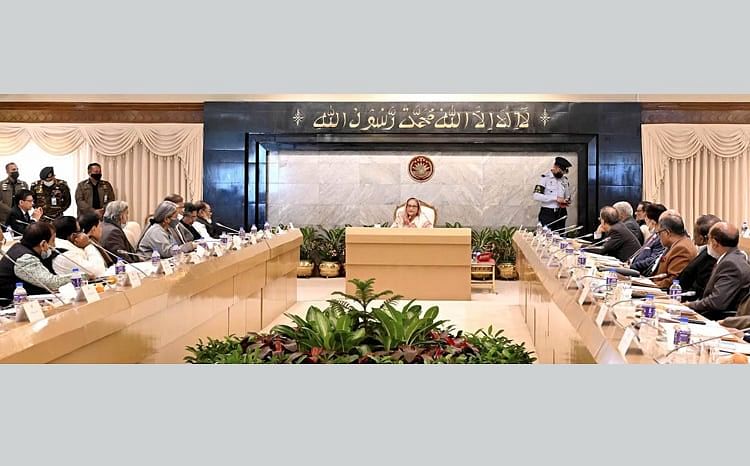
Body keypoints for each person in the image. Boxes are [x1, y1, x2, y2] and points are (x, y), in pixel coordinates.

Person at [685, 222, 750, 320]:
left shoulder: (731, 264)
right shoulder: (733, 258)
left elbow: (716, 302)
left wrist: (689, 305)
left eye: (709, 240)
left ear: (714, 243)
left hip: (719, 320)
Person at [0, 222, 71, 301]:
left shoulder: (22, 248)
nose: (54, 246)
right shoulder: (25, 259)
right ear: (43, 244)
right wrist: (80, 276)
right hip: (9, 304)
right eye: (53, 240)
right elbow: (52, 283)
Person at [677, 214, 722, 301]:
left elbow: (698, 291)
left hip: (687, 302)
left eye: (694, 233)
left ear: (702, 238)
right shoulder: (704, 252)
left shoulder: (711, 259)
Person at [650, 212, 698, 289]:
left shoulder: (682, 248)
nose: (658, 237)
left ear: (667, 233)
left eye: (659, 233)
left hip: (664, 294)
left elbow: (673, 280)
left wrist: (649, 285)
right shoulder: (678, 244)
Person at [532, 156, 572, 227]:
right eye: (560, 171)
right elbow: (536, 196)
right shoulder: (545, 178)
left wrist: (566, 201)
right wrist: (555, 198)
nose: (562, 174)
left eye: (564, 172)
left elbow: (567, 195)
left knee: (560, 236)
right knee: (546, 236)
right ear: (555, 167)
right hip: (548, 213)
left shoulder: (564, 180)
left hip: (561, 212)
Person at [629, 203, 667, 276]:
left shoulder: (661, 238)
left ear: (652, 222)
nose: (645, 222)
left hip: (640, 273)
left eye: (646, 219)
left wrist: (631, 266)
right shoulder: (653, 236)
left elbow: (651, 260)